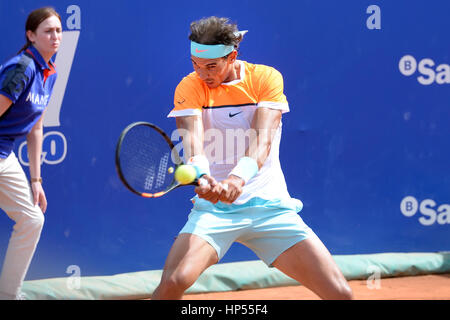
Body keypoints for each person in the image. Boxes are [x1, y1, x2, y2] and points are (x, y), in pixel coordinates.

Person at [152, 16, 353, 300]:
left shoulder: (265, 78)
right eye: (196, 65)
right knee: (174, 282)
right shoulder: (189, 86)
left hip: (270, 206)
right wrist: (204, 177)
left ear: (232, 56)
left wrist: (237, 179)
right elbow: (194, 145)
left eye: (211, 66)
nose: (203, 74)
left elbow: (263, 139)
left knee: (340, 293)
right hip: (215, 211)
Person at [0, 7, 62, 300]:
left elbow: (36, 129)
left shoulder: (48, 74)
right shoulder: (22, 68)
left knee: (32, 218)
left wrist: (36, 180)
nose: (55, 37)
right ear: (31, 35)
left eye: (58, 31)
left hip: (4, 154)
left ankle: (8, 294)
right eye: (48, 31)